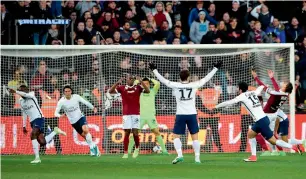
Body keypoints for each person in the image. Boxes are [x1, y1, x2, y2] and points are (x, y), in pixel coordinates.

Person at [149, 60, 222, 164]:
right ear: (189, 77)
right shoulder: (194, 85)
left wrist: (154, 70)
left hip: (180, 114)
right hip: (192, 114)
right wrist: (215, 68)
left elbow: (163, 80)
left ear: (180, 77)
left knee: (176, 136)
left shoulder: (175, 85)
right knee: (195, 137)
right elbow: (206, 79)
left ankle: (180, 155)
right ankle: (197, 158)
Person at [214, 82, 302, 162]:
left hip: (261, 121)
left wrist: (217, 106)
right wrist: (263, 85)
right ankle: (253, 156)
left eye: (238, 88)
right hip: (264, 118)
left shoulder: (241, 96)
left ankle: (292, 147)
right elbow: (259, 89)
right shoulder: (253, 92)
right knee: (250, 134)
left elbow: (229, 102)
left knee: (273, 141)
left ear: (240, 89)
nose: (237, 90)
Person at [252, 70, 306, 156]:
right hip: (274, 115)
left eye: (285, 84)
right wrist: (272, 78)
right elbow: (277, 89)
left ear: (285, 88)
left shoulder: (275, 93)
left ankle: (280, 149)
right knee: (272, 135)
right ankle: (276, 151)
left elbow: (264, 87)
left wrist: (256, 78)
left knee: (262, 134)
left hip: (267, 116)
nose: (283, 83)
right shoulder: (284, 94)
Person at [9, 85, 66, 164]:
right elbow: (24, 113)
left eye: (22, 91)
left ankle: (37, 158)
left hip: (39, 118)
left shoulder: (31, 95)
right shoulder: (21, 101)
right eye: (20, 91)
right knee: (42, 142)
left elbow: (26, 95)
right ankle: (55, 132)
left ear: (26, 91)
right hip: (32, 121)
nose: (21, 93)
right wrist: (24, 125)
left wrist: (15, 91)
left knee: (33, 134)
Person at [109, 75, 150, 158]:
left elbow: (148, 91)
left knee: (135, 132)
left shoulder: (138, 87)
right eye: (129, 79)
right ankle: (125, 152)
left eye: (132, 79)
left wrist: (141, 81)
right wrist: (117, 82)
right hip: (126, 114)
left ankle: (137, 148)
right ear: (127, 80)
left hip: (136, 113)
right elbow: (110, 91)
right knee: (127, 132)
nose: (130, 80)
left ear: (134, 80)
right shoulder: (122, 88)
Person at [54, 85, 100, 157]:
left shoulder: (76, 97)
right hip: (73, 122)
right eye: (66, 91)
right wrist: (60, 116)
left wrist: (93, 107)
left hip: (81, 117)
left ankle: (92, 149)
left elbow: (86, 102)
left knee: (85, 130)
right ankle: (95, 148)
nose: (67, 93)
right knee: (85, 136)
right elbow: (55, 113)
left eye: (68, 91)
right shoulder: (61, 102)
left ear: (71, 91)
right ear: (64, 93)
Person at [128, 77, 168, 154]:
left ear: (149, 85)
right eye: (144, 84)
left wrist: (150, 78)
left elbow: (158, 83)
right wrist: (139, 80)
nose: (145, 85)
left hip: (151, 116)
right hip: (140, 116)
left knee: (156, 132)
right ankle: (129, 151)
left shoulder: (153, 91)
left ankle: (164, 150)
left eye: (147, 84)